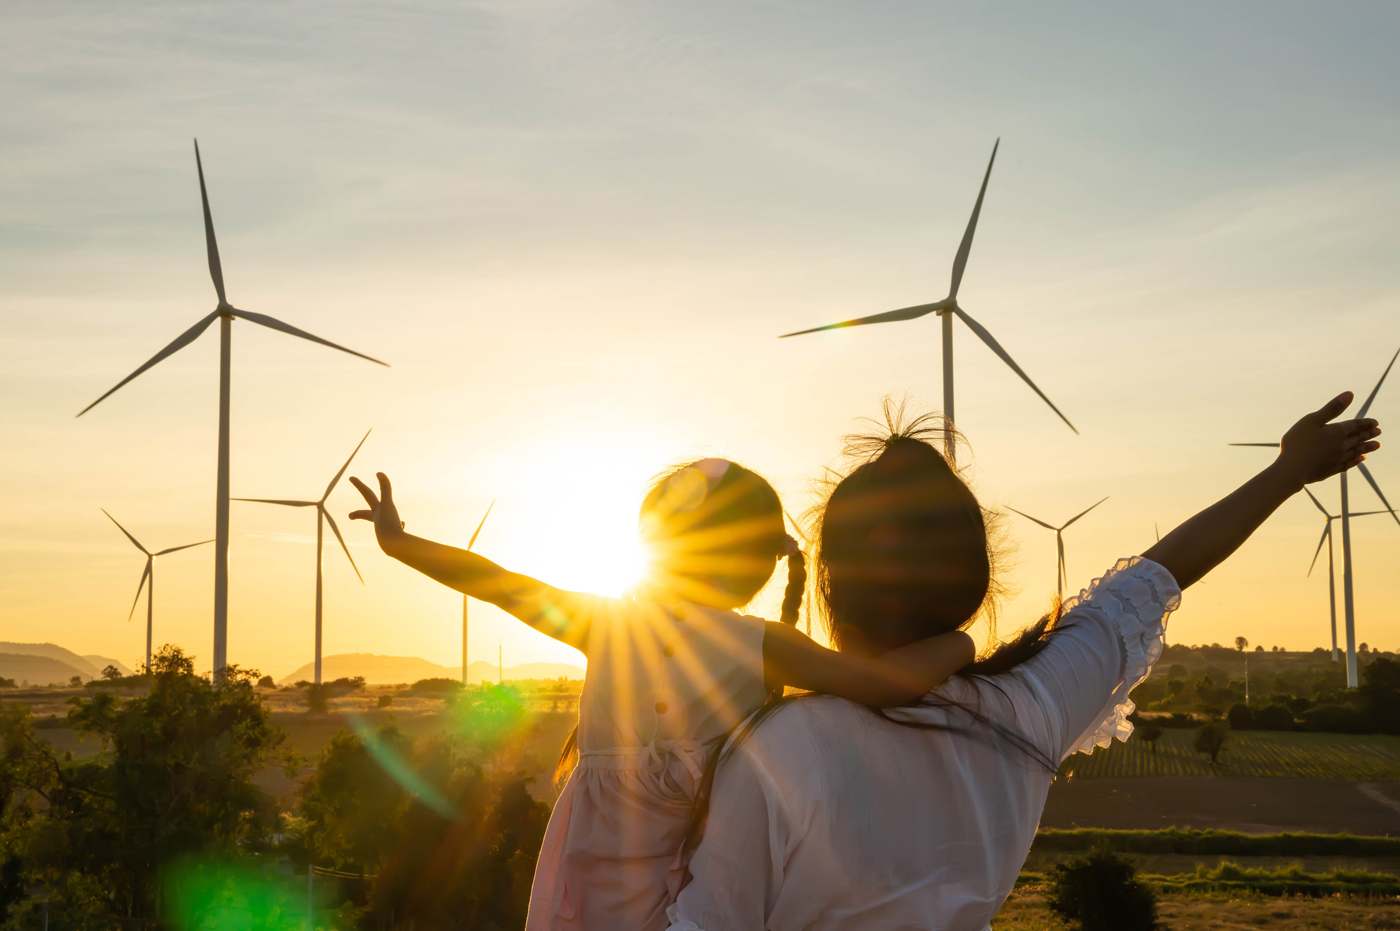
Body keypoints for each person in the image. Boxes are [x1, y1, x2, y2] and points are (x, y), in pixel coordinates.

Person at [667, 394, 1381, 931]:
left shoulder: (781, 749)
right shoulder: (1026, 711)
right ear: (972, 582)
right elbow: (1157, 577)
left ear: (832, 585)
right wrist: (1287, 471)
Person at [347, 457, 976, 931]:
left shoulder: (607, 621)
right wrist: (959, 646)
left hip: (598, 863)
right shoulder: (760, 641)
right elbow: (878, 685)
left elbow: (494, 582)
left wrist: (398, 542)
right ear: (757, 563)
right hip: (694, 872)